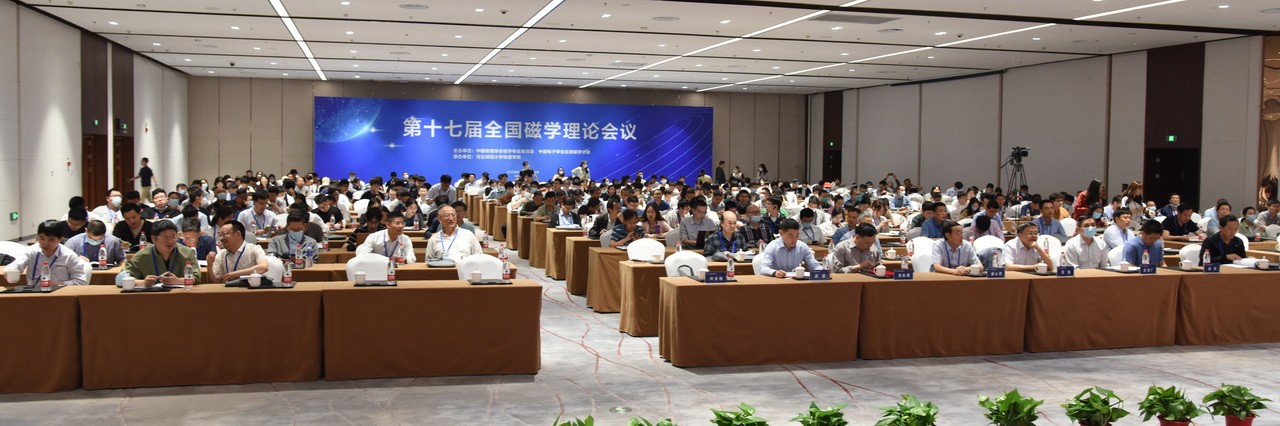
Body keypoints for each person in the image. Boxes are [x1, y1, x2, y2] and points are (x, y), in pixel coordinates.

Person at [3, 220, 88, 286]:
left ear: (60, 239)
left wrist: (57, 284)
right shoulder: (31, 251)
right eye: (41, 238)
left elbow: (81, 281)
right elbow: (15, 266)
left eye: (51, 240)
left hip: (60, 294)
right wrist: (10, 271)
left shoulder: (69, 256)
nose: (45, 243)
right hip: (33, 293)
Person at [121, 220, 202, 285]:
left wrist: (177, 281)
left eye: (173, 236)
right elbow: (120, 278)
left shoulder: (187, 253)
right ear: (154, 239)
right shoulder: (142, 256)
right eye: (165, 237)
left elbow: (196, 277)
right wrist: (142, 282)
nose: (170, 241)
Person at [756, 219, 822, 277]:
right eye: (791, 236)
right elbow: (763, 268)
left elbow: (814, 265)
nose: (794, 240)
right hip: (776, 281)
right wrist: (774, 272)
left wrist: (822, 271)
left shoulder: (802, 247)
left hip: (795, 282)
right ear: (781, 233)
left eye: (797, 236)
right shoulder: (772, 246)